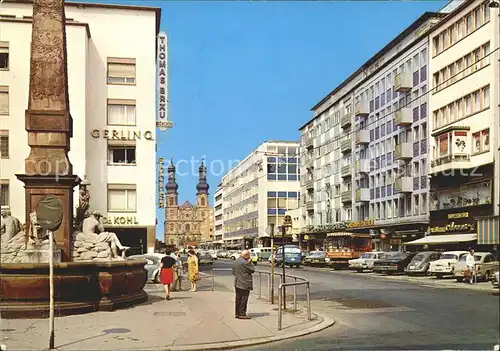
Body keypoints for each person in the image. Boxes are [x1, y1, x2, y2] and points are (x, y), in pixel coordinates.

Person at [232, 250, 255, 320]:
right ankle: (242, 314)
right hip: (245, 283)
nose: (249, 257)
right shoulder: (246, 263)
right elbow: (252, 269)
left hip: (237, 283)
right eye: (249, 255)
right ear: (246, 255)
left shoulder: (236, 261)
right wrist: (250, 262)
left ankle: (237, 313)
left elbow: (233, 272)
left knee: (238, 298)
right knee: (244, 299)